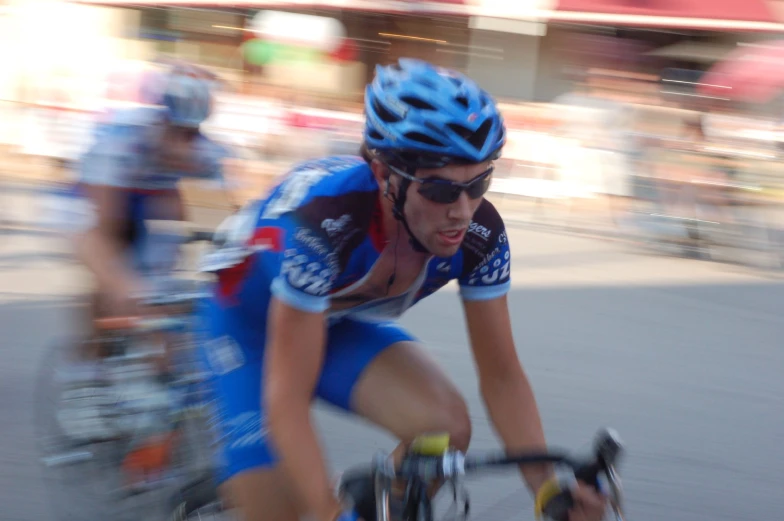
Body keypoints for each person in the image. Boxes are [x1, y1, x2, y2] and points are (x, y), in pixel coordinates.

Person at [198, 58, 607, 521]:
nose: (463, 210)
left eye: (480, 183)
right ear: (382, 175)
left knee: (443, 429)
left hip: (330, 323)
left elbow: (502, 376)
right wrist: (327, 512)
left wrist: (548, 488)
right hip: (248, 331)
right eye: (440, 191)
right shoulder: (322, 224)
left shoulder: (480, 234)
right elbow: (286, 399)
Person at [57, 60, 234, 441]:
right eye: (177, 131)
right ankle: (85, 382)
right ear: (161, 119)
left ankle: (152, 400)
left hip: (153, 205)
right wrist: (123, 286)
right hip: (96, 201)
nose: (185, 143)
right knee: (119, 284)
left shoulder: (207, 155)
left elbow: (224, 232)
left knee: (169, 302)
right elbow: (104, 230)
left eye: (192, 133)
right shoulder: (124, 139)